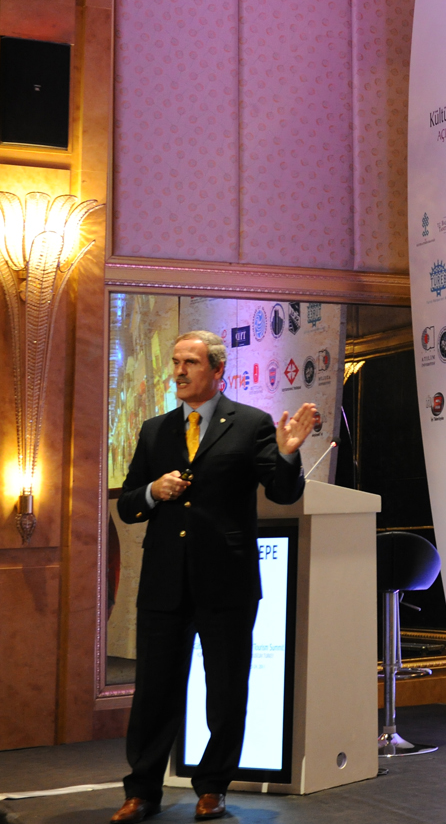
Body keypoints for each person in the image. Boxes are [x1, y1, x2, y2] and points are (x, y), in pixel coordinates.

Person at [112, 331, 315, 824]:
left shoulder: (251, 424)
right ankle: (142, 792)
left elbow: (283, 493)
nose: (179, 371)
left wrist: (288, 454)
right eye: (176, 362)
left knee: (225, 690)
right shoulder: (154, 430)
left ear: (217, 369)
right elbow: (128, 504)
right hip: (164, 581)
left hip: (226, 580)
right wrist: (153, 491)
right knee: (154, 691)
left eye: (191, 362)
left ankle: (213, 787)